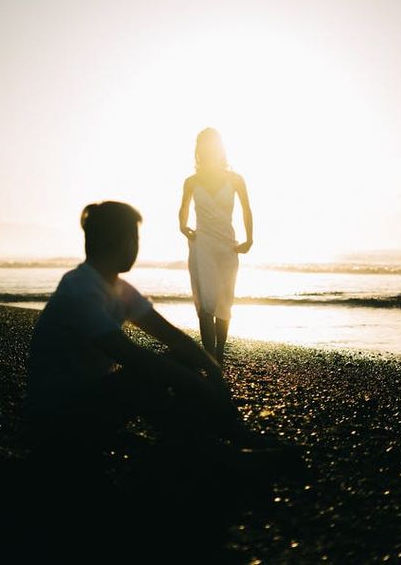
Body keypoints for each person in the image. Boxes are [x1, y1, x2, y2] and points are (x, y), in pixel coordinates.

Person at [26, 200, 258, 459]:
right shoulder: (81, 290)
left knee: (177, 360)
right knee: (146, 375)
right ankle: (211, 453)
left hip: (88, 401)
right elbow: (128, 354)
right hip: (56, 421)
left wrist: (213, 371)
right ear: (124, 241)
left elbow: (172, 337)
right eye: (134, 238)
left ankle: (225, 436)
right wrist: (197, 383)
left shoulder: (116, 287)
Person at [179, 128, 253, 365]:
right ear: (199, 150)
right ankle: (210, 357)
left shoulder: (235, 179)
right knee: (207, 301)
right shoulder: (191, 181)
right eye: (204, 146)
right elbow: (183, 208)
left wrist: (249, 239)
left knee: (225, 301)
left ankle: (219, 352)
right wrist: (183, 226)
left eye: (212, 145)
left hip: (228, 246)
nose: (208, 150)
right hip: (202, 245)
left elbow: (246, 209)